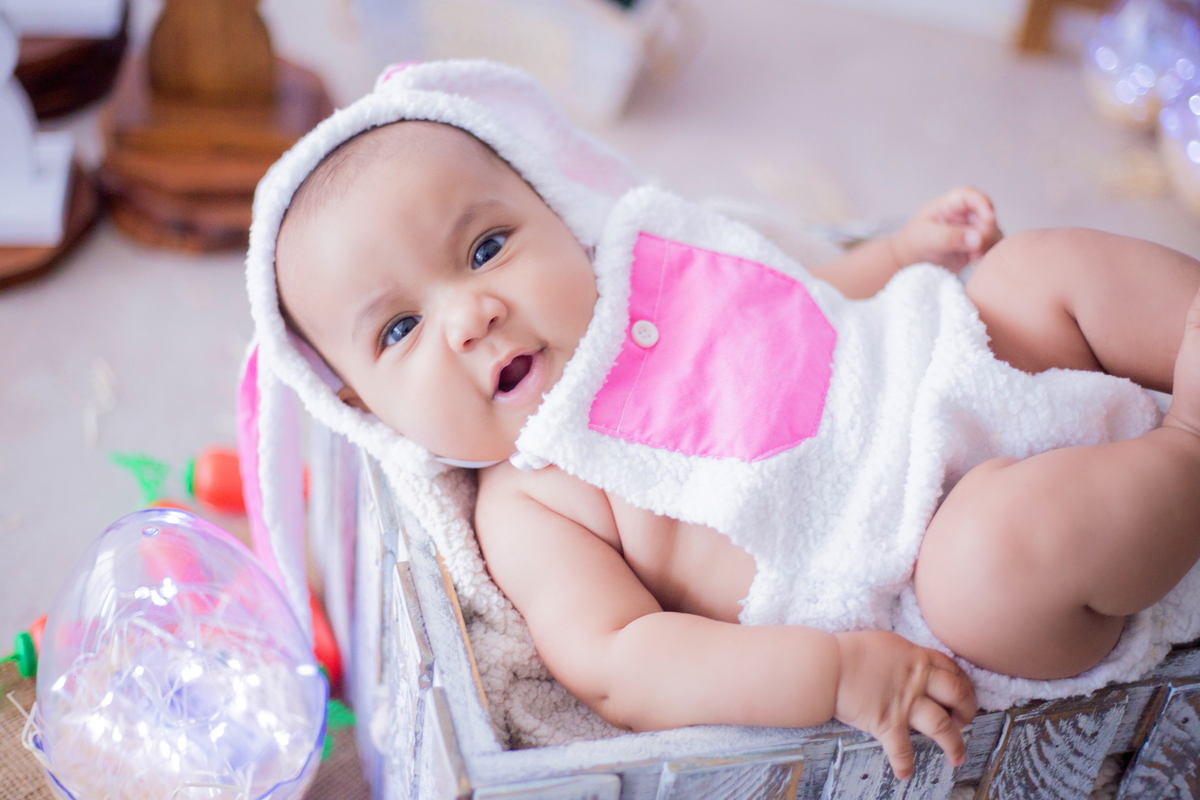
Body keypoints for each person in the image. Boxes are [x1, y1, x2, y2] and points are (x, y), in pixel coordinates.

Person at [250, 61, 1200, 778]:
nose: (470, 315)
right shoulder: (532, 499)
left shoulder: (648, 264)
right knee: (1001, 552)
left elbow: (798, 299)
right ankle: (1183, 448)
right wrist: (831, 674)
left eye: (489, 246)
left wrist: (903, 254)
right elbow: (622, 661)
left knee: (1032, 271)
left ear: (554, 211)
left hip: (944, 368)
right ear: (361, 408)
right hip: (910, 569)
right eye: (402, 328)